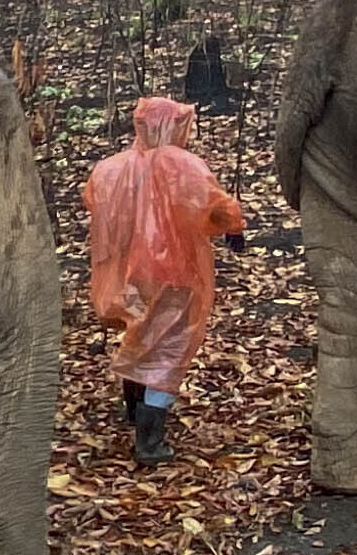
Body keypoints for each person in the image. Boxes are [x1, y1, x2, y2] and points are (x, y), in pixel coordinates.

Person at [86, 95, 247, 464]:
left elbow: (93, 201)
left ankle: (134, 413)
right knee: (168, 351)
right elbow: (211, 203)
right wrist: (233, 226)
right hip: (175, 271)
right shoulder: (180, 164)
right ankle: (150, 440)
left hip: (132, 273)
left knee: (140, 336)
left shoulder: (111, 168)